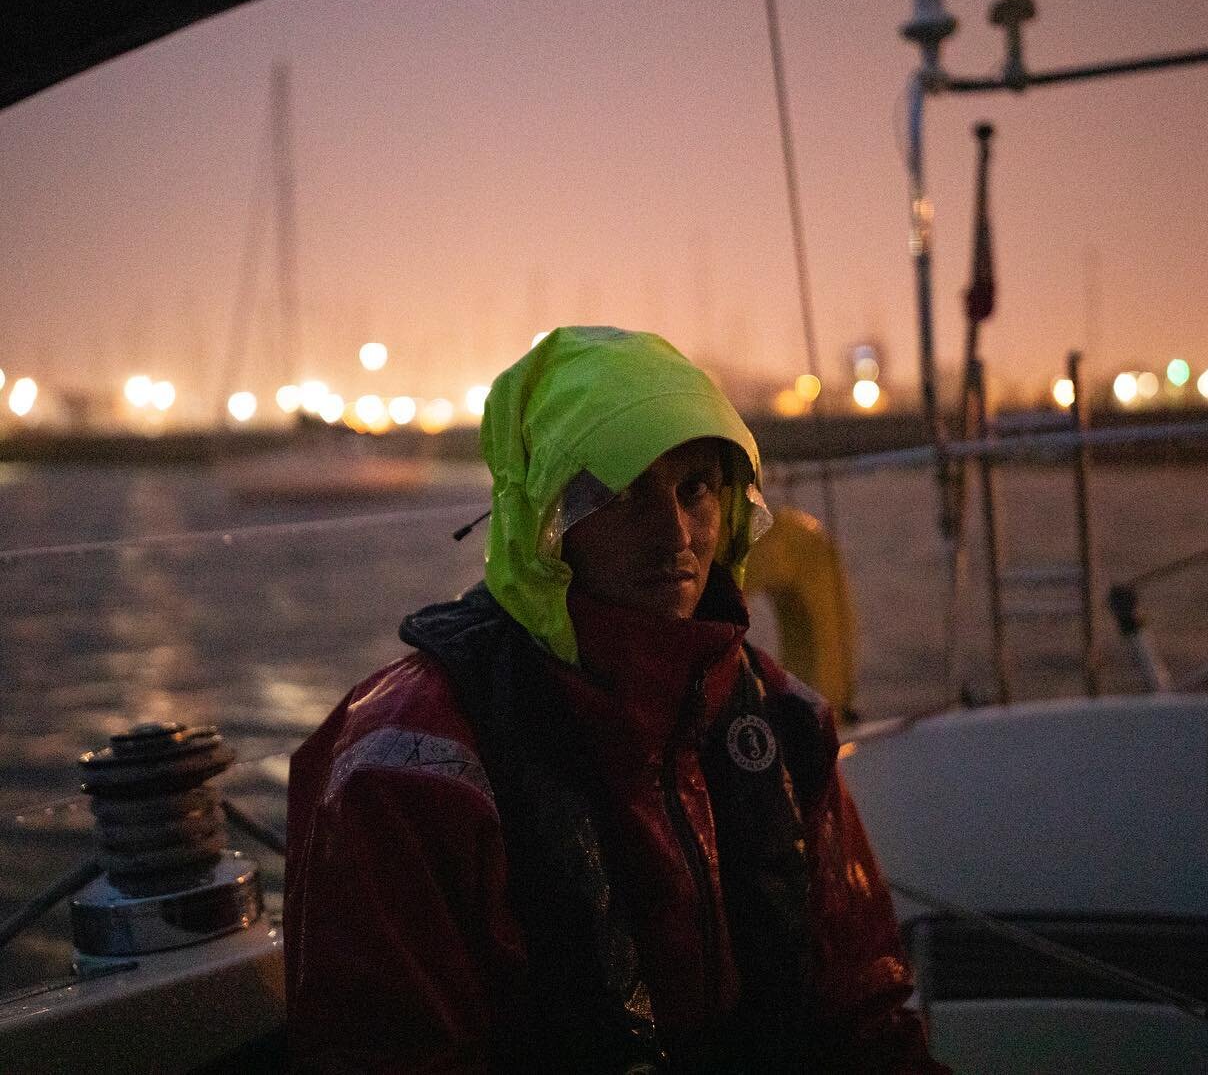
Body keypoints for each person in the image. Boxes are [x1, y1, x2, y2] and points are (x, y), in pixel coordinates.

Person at [284, 326, 946, 1072]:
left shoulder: (784, 723)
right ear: (543, 526)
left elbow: (866, 1010)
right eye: (623, 492)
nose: (675, 535)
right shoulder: (409, 768)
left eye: (695, 487)